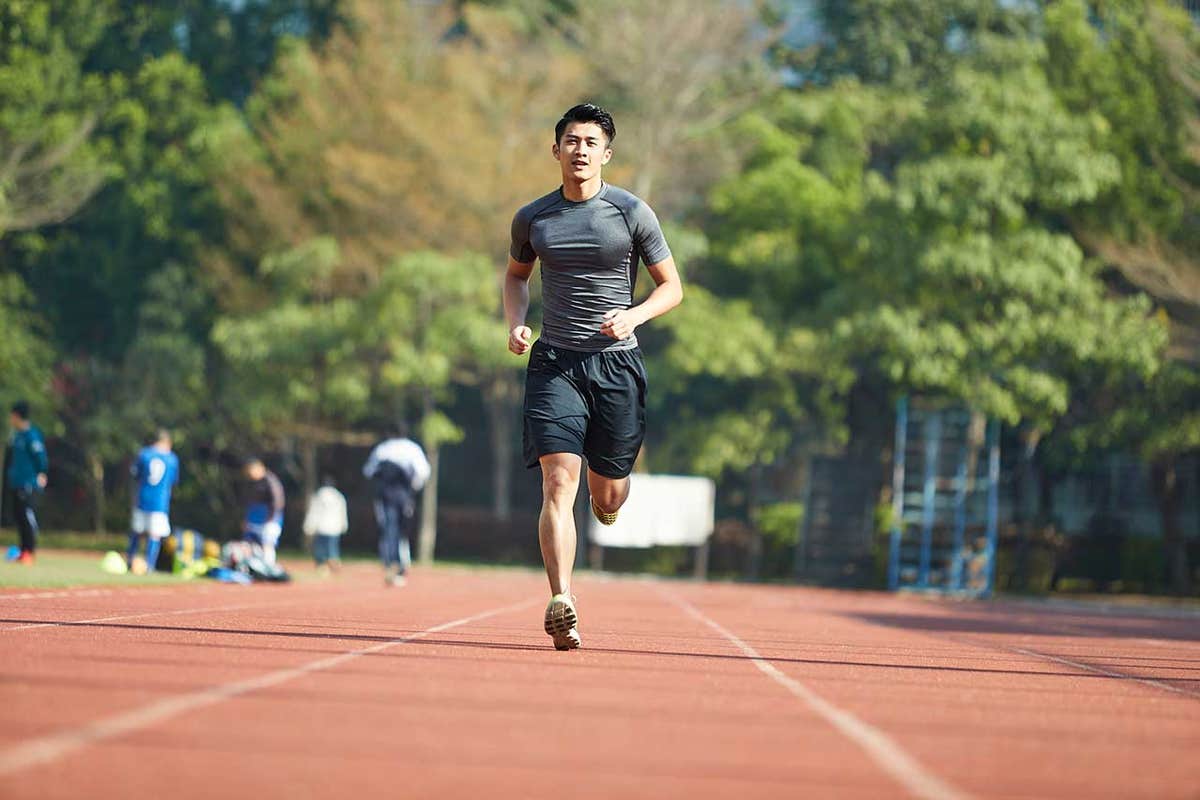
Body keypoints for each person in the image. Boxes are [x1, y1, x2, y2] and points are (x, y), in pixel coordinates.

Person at [504, 103, 683, 649]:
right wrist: (516, 323)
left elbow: (671, 287)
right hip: (555, 362)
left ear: (606, 154)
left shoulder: (631, 213)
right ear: (555, 149)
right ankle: (562, 599)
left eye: (590, 142)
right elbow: (516, 278)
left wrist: (632, 315)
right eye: (570, 141)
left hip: (616, 363)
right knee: (559, 480)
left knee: (607, 493)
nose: (579, 150)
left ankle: (608, 503)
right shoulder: (533, 218)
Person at [363, 431, 430, 587]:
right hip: (403, 495)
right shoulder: (412, 448)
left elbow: (368, 471)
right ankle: (400, 566)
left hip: (384, 496)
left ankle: (391, 563)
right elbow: (423, 472)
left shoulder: (382, 449)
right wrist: (412, 488)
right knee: (402, 531)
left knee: (388, 530)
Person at [127, 429, 180, 573]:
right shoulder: (172, 459)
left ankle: (130, 560)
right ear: (167, 442)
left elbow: (136, 474)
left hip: (142, 498)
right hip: (160, 502)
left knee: (136, 531)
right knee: (154, 534)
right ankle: (149, 565)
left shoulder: (144, 454)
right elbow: (173, 481)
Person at [3, 401, 48, 565]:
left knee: (26, 517)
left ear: (16, 415)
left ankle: (30, 551)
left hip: (28, 484)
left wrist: (41, 473)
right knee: (18, 516)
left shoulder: (31, 435)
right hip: (16, 483)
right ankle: (23, 551)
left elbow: (40, 459)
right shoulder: (17, 436)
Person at [303, 475, 348, 577]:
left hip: (321, 527)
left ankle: (322, 566)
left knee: (320, 548)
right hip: (335, 527)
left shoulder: (319, 495)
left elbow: (313, 512)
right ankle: (334, 561)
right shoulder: (339, 497)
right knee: (332, 547)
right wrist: (344, 525)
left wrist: (308, 526)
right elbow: (343, 512)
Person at [242, 458, 285, 564]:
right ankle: (252, 566)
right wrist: (246, 519)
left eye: (251, 470)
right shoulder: (252, 483)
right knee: (250, 543)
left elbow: (278, 501)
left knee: (268, 543)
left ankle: (268, 566)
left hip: (269, 517)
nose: (250, 473)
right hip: (254, 516)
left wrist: (271, 519)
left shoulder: (270, 481)